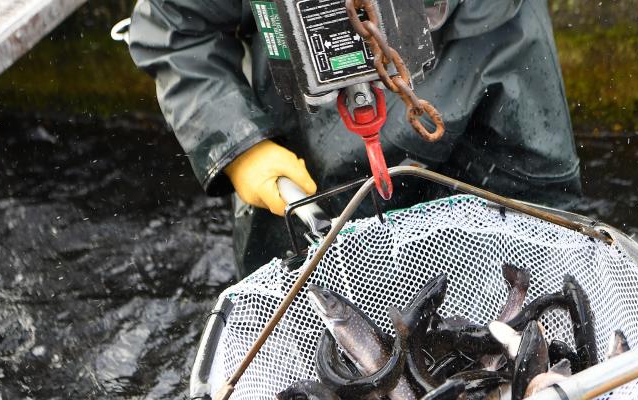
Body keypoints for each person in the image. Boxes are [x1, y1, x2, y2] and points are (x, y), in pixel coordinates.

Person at [128, 0, 581, 278]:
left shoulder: (506, 30)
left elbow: (536, 179)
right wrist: (237, 144)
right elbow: (174, 29)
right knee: (308, 318)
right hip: (301, 165)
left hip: (477, 95)